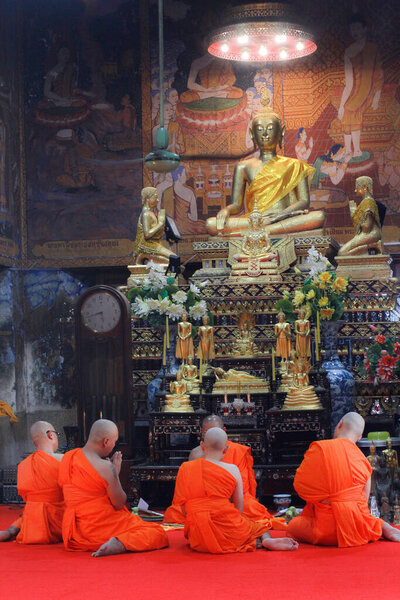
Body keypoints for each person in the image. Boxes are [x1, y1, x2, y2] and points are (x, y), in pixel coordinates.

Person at [206, 96, 325, 237]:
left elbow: (304, 201)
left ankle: (256, 233)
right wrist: (226, 211)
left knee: (318, 216)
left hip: (283, 218)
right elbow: (237, 205)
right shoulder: (243, 166)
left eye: (270, 129)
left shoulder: (294, 165)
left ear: (281, 132)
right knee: (211, 224)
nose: (265, 134)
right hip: (255, 220)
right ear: (252, 134)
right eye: (260, 129)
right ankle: (262, 230)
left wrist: (281, 215)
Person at [171, 427, 298, 553]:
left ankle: (248, 541)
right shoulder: (232, 469)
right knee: (259, 527)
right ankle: (265, 540)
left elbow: (182, 507)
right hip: (230, 527)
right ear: (226, 449)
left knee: (203, 528)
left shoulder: (186, 468)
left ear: (202, 446)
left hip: (198, 534)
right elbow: (239, 508)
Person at [287, 412, 400, 546]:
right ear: (359, 437)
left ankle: (376, 526)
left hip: (326, 528)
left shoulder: (321, 448)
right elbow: (363, 501)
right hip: (357, 526)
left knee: (292, 527)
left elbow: (300, 486)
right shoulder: (363, 460)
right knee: (364, 517)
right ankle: (380, 526)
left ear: (339, 424)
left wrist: (325, 499)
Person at [59, 419, 168, 556]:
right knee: (157, 533)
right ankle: (120, 542)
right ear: (106, 442)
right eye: (114, 442)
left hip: (75, 529)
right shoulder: (106, 467)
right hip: (100, 526)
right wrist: (115, 474)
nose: (113, 446)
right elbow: (119, 503)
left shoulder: (68, 458)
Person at [164, 415, 286, 531]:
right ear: (201, 434)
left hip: (215, 507)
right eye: (207, 433)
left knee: (251, 506)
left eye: (215, 431)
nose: (212, 436)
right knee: (175, 511)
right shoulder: (195, 454)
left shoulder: (237, 451)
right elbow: (187, 493)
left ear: (224, 431)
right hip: (212, 506)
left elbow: (243, 490)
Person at [0, 421, 64, 544]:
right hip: (57, 518)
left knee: (30, 510)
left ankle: (12, 530)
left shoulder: (24, 464)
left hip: (33, 521)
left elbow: (25, 495)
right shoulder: (64, 460)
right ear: (51, 435)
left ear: (35, 443)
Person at [338, 13, 383, 158]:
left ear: (365, 29)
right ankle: (348, 149)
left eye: (357, 28)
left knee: (350, 109)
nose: (355, 32)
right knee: (346, 109)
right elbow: (349, 82)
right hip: (355, 91)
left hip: (368, 90)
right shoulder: (349, 51)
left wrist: (376, 96)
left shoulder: (373, 48)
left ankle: (356, 149)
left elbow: (378, 74)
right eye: (352, 29)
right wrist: (340, 105)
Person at [338, 176, 382, 256]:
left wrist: (353, 213)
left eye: (357, 187)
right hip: (370, 233)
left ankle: (374, 245)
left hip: (371, 234)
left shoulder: (368, 202)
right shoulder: (366, 202)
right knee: (343, 253)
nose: (355, 190)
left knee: (342, 253)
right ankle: (371, 247)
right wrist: (355, 213)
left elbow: (367, 227)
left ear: (364, 186)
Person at [132, 186, 175, 265]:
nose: (157, 200)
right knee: (174, 261)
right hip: (145, 247)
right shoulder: (146, 214)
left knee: (175, 259)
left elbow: (155, 233)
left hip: (153, 244)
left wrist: (169, 235)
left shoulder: (151, 213)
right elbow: (147, 234)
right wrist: (160, 223)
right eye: (155, 197)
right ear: (148, 198)